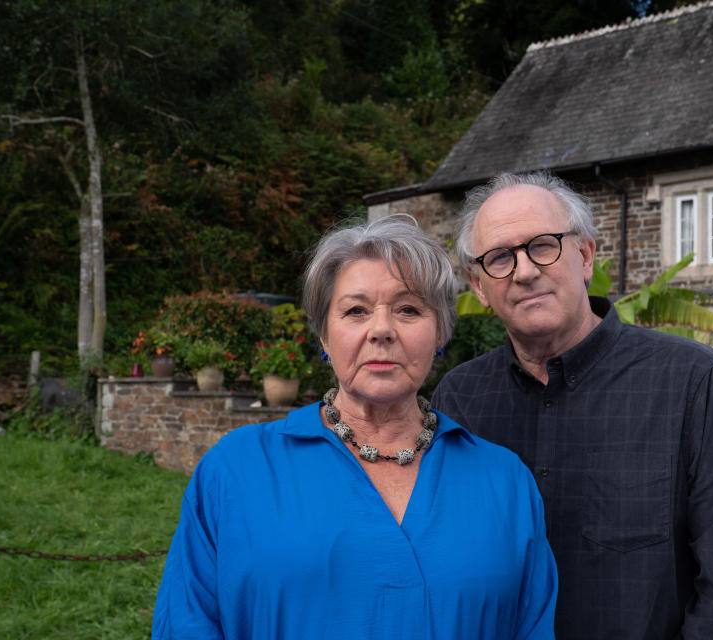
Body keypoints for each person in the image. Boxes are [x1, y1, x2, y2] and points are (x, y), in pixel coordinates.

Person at [152, 214, 557, 640]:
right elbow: (187, 624)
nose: (381, 330)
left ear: (439, 333)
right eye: (356, 310)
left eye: (408, 309)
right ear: (324, 336)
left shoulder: (504, 481)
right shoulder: (235, 470)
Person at [432, 172, 713, 639]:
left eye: (543, 245)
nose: (524, 271)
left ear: (584, 255)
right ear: (478, 286)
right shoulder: (460, 400)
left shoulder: (693, 382)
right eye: (500, 257)